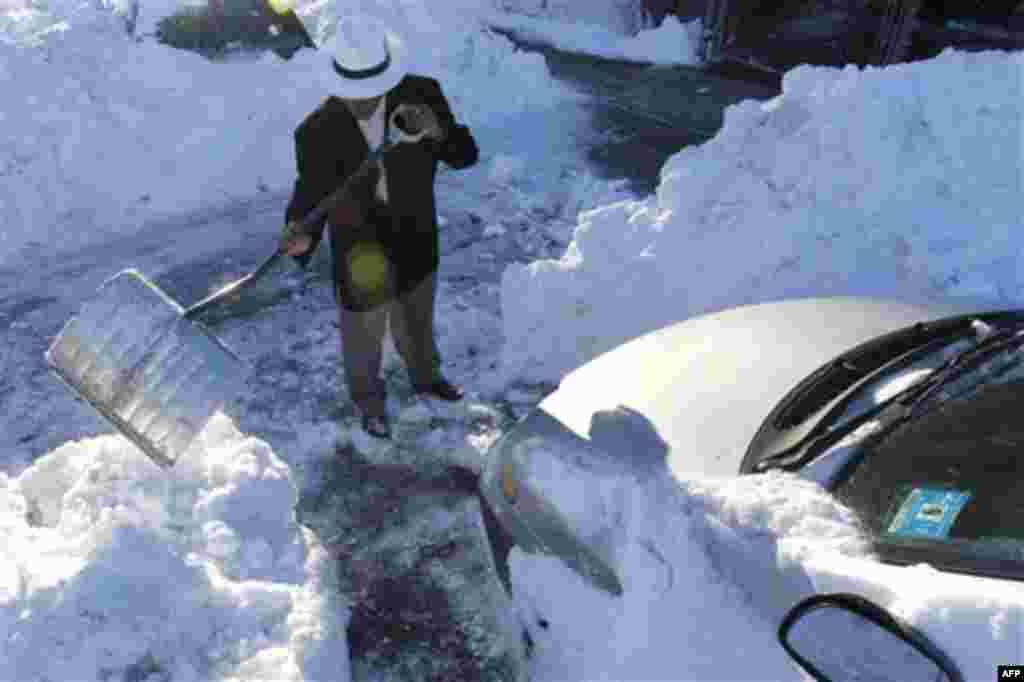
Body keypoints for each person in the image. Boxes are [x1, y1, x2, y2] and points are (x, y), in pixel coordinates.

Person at [281, 14, 479, 439]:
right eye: (354, 92)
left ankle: (427, 377)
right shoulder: (316, 131)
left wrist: (437, 129)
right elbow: (311, 190)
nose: (364, 101)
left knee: (417, 320)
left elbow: (465, 155)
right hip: (360, 251)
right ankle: (369, 403)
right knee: (363, 337)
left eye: (372, 90)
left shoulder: (423, 95)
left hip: (416, 234)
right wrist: (299, 229)